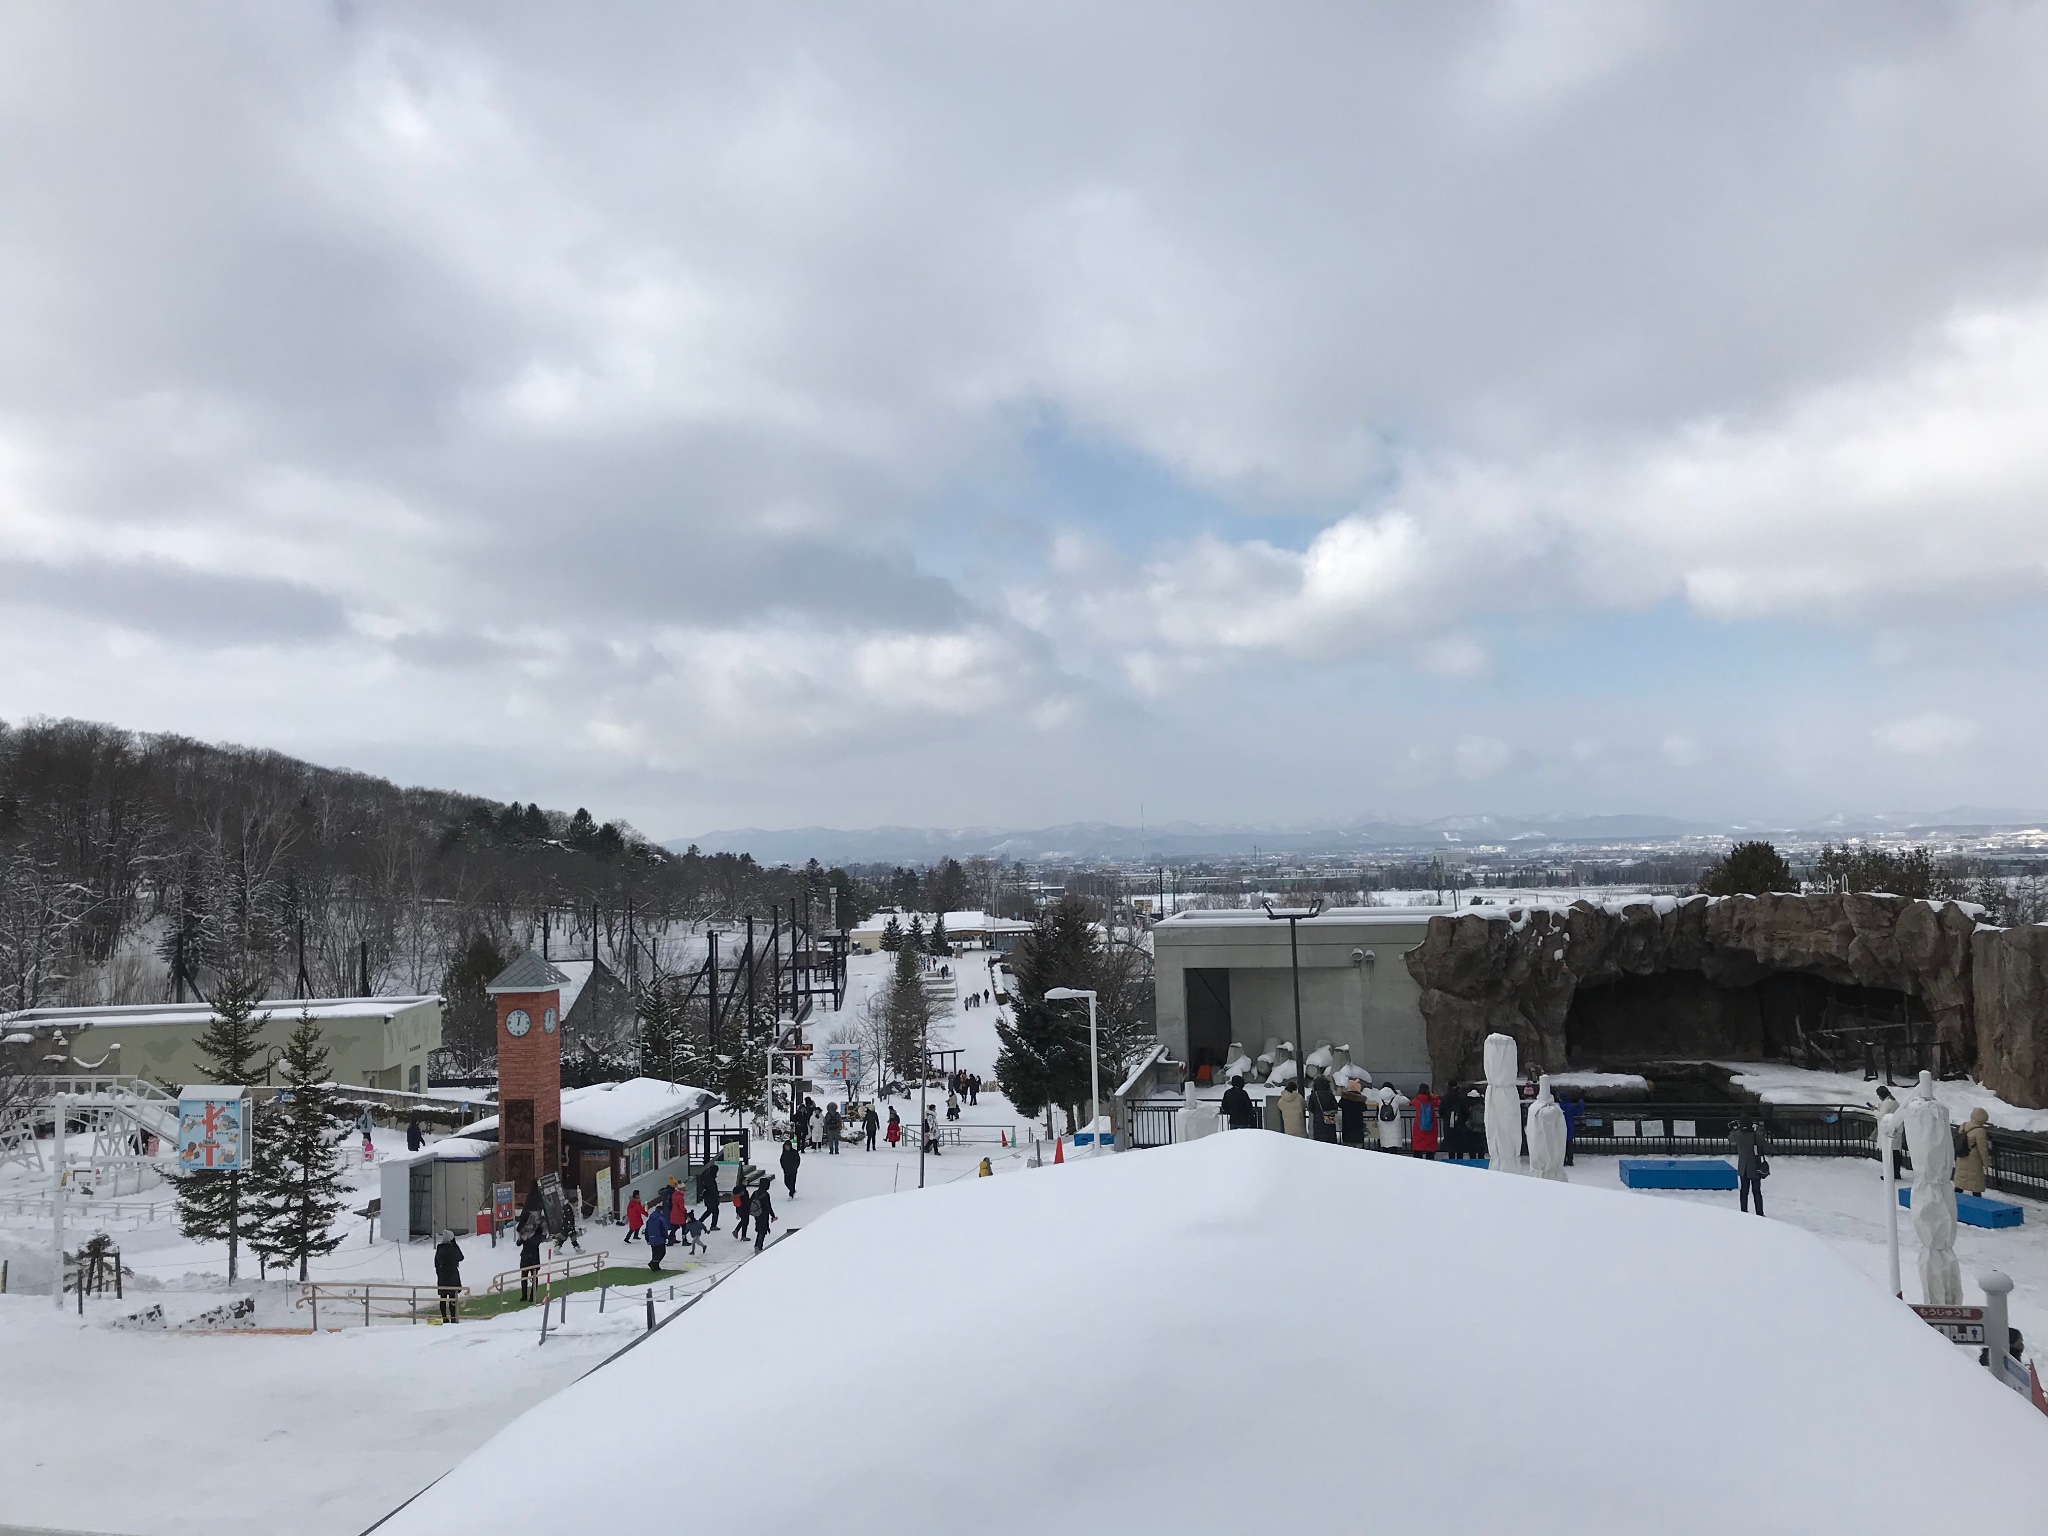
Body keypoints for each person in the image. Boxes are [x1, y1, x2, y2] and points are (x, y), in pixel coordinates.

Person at [1730, 1113, 1770, 1216]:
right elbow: (1766, 1146)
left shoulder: (1737, 1135)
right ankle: (1759, 1213)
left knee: (1744, 1191)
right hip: (1755, 1167)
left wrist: (1734, 1129)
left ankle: (1744, 1212)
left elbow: (1731, 1139)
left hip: (1743, 1167)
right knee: (1756, 1191)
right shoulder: (1756, 1136)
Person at [1955, 1107, 1992, 1195]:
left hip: (1962, 1156)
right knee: (1975, 1183)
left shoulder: (1963, 1125)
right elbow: (1982, 1149)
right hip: (1974, 1160)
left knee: (1961, 1180)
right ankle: (1977, 1202)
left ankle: (1956, 1199)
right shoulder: (1980, 1131)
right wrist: (1986, 1163)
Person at [433, 1229, 463, 1323]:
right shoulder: (452, 1249)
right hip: (452, 1277)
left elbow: (436, 1263)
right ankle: (453, 1318)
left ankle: (444, 1317)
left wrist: (439, 1272)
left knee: (443, 1298)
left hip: (442, 1277)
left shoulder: (440, 1249)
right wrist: (455, 1245)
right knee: (452, 1298)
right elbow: (460, 1257)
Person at [517, 1209, 544, 1302]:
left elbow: (535, 1243)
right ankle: (524, 1295)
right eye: (528, 1225)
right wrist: (521, 1238)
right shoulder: (524, 1232)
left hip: (534, 1257)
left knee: (534, 1277)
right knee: (524, 1277)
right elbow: (518, 1244)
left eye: (530, 1225)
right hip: (525, 1257)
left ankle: (533, 1296)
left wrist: (526, 1239)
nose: (529, 1226)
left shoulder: (538, 1232)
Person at [1376, 1084, 1410, 1152]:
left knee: (1385, 1140)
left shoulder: (1379, 1098)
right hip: (1394, 1122)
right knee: (1394, 1142)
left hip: (1383, 1122)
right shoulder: (1396, 1097)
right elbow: (1406, 1100)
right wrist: (1399, 1094)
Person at [1307, 1070, 1339, 1143]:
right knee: (1330, 1139)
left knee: (1320, 1141)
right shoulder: (1329, 1094)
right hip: (1329, 1120)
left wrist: (1317, 1112)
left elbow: (1310, 1108)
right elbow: (1335, 1106)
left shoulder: (1314, 1095)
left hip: (1318, 1122)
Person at [1409, 1084, 1440, 1158]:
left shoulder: (1417, 1099)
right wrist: (1434, 1096)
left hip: (1419, 1124)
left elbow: (1411, 1103)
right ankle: (1430, 1160)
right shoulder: (1431, 1100)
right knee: (1430, 1144)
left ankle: (1418, 1159)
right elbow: (1439, 1102)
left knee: (1418, 1143)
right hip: (1431, 1124)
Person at [1338, 1082, 1370, 1147]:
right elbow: (1364, 1108)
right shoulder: (1360, 1100)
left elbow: (1340, 1105)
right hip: (1358, 1129)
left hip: (1347, 1129)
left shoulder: (1344, 1099)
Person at [644, 1201, 671, 1271]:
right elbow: (664, 1228)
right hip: (659, 1238)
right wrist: (666, 1236)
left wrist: (647, 1238)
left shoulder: (650, 1219)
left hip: (651, 1238)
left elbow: (646, 1229)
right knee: (662, 1252)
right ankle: (653, 1263)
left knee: (655, 1252)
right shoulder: (660, 1218)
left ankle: (656, 1266)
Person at [752, 1179, 776, 1253]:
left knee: (759, 1229)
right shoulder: (765, 1194)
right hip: (764, 1214)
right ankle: (759, 1246)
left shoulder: (755, 1193)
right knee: (762, 1231)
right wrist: (773, 1215)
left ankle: (756, 1245)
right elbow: (768, 1206)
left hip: (756, 1214)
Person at [695, 1163, 721, 1229]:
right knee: (715, 1212)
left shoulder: (707, 1177)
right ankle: (713, 1225)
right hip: (711, 1198)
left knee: (709, 1211)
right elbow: (713, 1190)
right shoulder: (710, 1179)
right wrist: (717, 1198)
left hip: (707, 1197)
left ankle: (699, 1222)